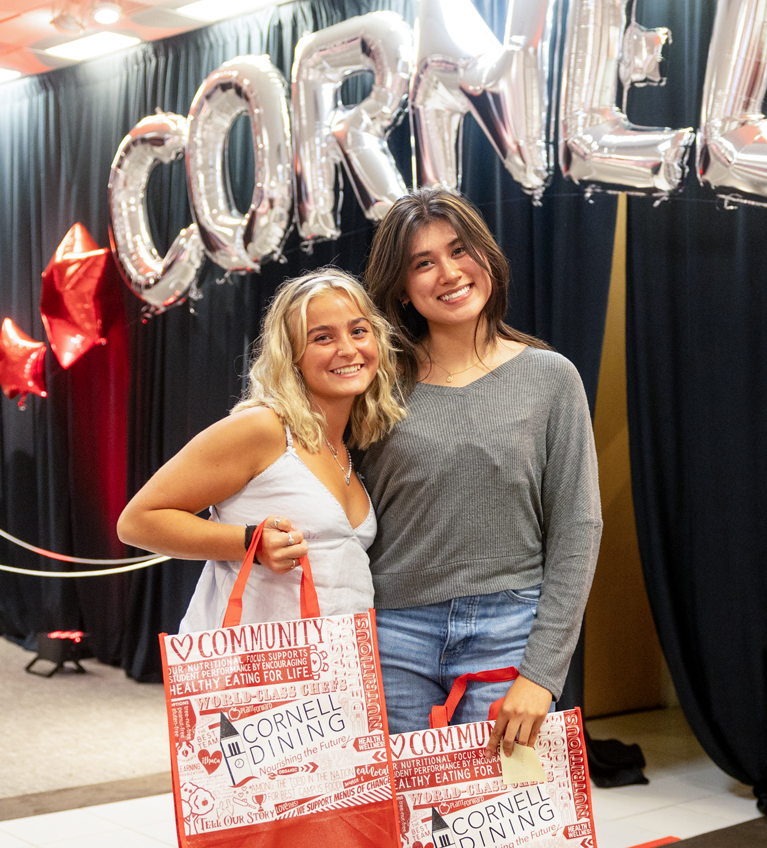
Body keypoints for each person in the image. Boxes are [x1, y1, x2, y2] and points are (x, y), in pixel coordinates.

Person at [361, 186, 602, 757]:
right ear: (400, 287)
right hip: (391, 633)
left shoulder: (551, 377)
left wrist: (542, 672)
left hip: (509, 630)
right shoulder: (373, 384)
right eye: (423, 263)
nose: (448, 272)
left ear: (487, 257)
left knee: (501, 822)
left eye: (459, 250)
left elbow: (577, 529)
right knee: (402, 822)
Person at [117, 269, 406, 630]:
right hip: (253, 674)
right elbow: (137, 522)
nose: (348, 349)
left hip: (332, 670)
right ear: (292, 355)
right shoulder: (263, 428)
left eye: (358, 331)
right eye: (322, 337)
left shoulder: (348, 448)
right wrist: (250, 542)